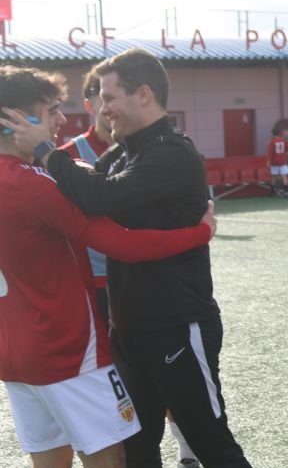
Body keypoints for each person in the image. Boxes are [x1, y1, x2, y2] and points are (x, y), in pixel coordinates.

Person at [2, 48, 254, 468]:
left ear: (143, 94)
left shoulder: (172, 152)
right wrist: (200, 233)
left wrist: (46, 150)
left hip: (176, 323)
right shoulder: (119, 155)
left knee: (208, 441)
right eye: (101, 100)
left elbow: (100, 194)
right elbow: (95, 196)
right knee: (137, 448)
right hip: (119, 331)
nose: (102, 110)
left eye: (108, 97)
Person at [59, 69, 114, 324]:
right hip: (92, 283)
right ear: (90, 105)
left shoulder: (149, 152)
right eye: (106, 98)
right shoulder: (66, 156)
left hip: (145, 276)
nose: (114, 107)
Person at [266, 127, 288, 198]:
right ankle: (286, 192)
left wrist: (268, 162)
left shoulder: (272, 142)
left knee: (274, 177)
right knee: (284, 176)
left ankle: (272, 192)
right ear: (279, 133)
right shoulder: (284, 141)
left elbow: (270, 153)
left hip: (275, 162)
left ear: (272, 134)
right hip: (283, 161)